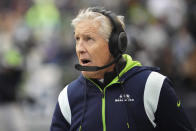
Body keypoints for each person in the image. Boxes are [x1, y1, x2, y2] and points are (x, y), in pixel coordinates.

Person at [50, 7, 194, 131]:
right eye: (77, 39)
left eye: (89, 39)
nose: (80, 48)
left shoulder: (152, 85)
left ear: (115, 45)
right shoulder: (67, 96)